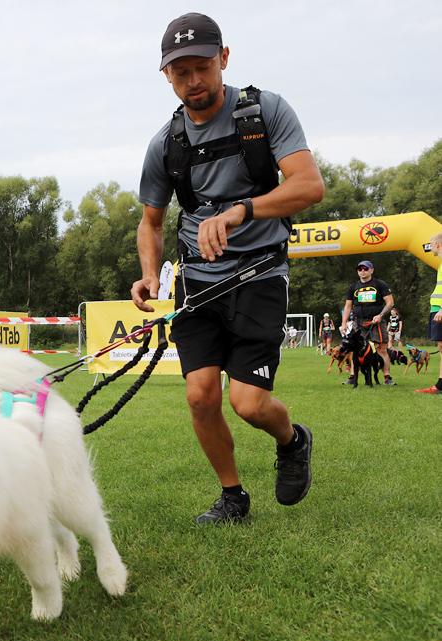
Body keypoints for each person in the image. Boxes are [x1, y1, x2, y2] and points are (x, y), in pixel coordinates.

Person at [131, 13, 325, 525]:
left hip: (260, 274)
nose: (194, 81)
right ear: (166, 76)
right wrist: (149, 273)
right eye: (181, 73)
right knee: (199, 396)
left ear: (224, 58)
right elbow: (150, 223)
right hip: (197, 284)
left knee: (249, 404)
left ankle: (292, 440)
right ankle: (232, 497)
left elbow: (309, 186)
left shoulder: (265, 111)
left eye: (203, 67)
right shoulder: (165, 144)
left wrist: (243, 210)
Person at [340, 260, 396, 386]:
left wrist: (381, 315)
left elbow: (390, 302)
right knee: (355, 349)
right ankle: (353, 376)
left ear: (372, 270)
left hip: (376, 321)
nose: (362, 271)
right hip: (358, 321)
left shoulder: (380, 284)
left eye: (365, 268)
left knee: (381, 348)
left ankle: (387, 378)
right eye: (360, 269)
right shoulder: (353, 287)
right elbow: (348, 306)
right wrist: (344, 323)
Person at [415, 233, 442, 395]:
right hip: (436, 308)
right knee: (441, 347)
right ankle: (440, 386)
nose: (430, 248)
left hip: (440, 309)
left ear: (437, 244)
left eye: (431, 245)